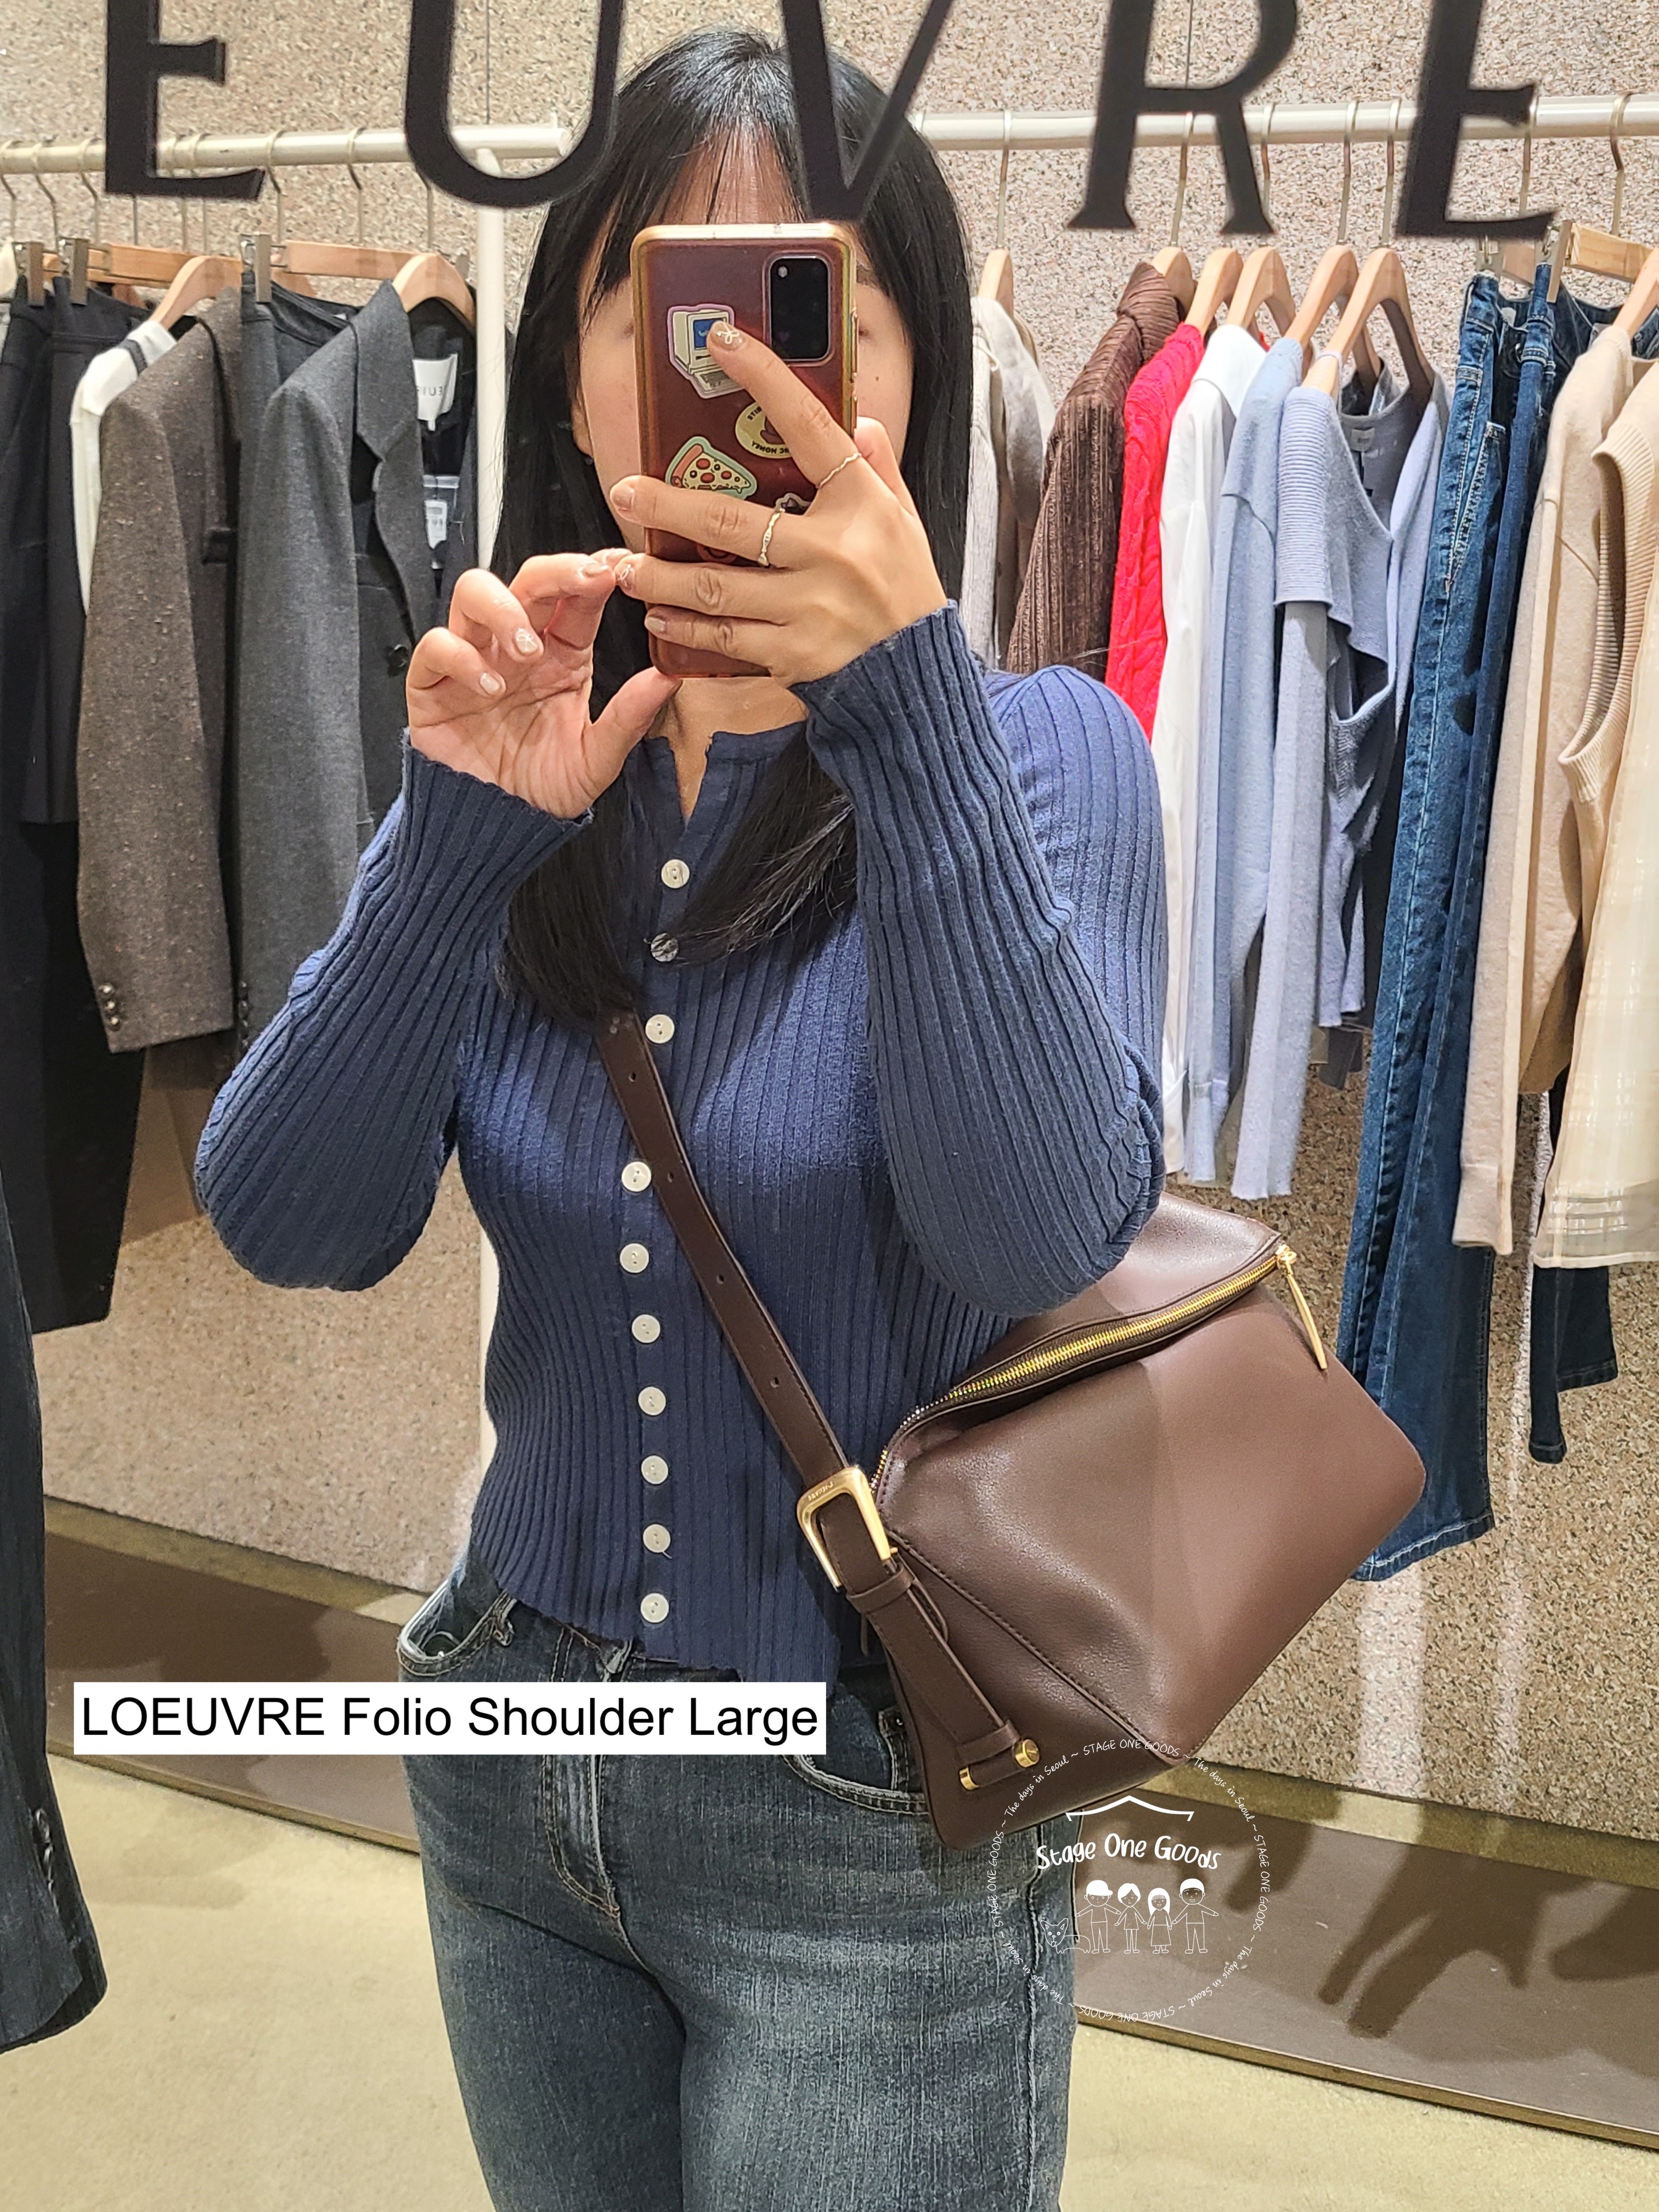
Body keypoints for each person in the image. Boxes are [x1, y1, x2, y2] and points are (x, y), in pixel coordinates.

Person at [194, 26, 1165, 2211]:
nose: (730, 377)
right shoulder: (519, 744)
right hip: (511, 1744)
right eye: (668, 309)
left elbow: (1034, 1234)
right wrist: (452, 842)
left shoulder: (1039, 755)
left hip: (874, 1805)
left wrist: (901, 711)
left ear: (909, 383)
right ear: (574, 375)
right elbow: (292, 1221)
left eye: (807, 314)